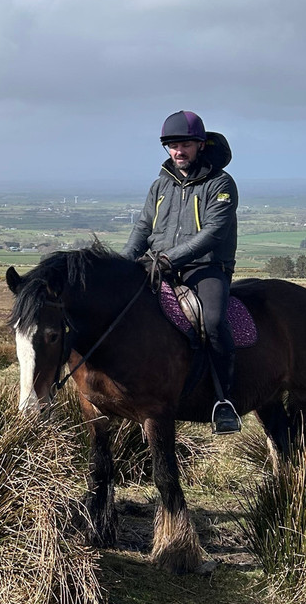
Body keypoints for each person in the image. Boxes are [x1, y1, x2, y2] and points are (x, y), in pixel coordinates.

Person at [121, 111, 241, 434]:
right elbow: (143, 228)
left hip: (207, 268)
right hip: (158, 265)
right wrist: (123, 264)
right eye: (172, 145)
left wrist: (167, 260)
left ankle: (223, 399)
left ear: (201, 145)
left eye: (185, 144)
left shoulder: (221, 184)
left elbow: (213, 234)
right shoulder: (160, 185)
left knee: (213, 321)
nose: (178, 151)